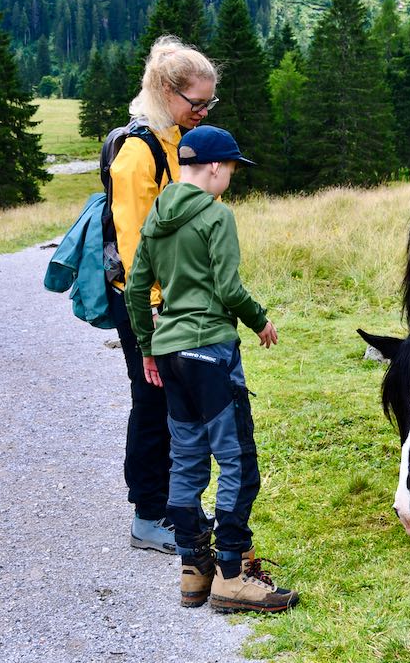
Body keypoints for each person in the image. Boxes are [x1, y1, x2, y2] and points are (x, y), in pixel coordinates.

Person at [124, 125, 299, 614]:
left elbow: (137, 289)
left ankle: (192, 570)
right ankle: (231, 575)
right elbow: (227, 288)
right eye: (234, 170)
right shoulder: (217, 217)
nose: (233, 179)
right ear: (217, 167)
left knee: (187, 462)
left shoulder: (157, 216)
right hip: (211, 351)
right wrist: (260, 319)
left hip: (172, 355)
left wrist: (147, 347)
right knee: (239, 462)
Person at [107, 36, 219, 554]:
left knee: (178, 400)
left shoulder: (173, 140)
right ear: (167, 92)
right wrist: (153, 308)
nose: (203, 111)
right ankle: (148, 514)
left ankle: (178, 507)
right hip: (144, 303)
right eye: (196, 102)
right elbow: (135, 246)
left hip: (172, 298)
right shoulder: (138, 152)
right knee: (151, 400)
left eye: (208, 103)